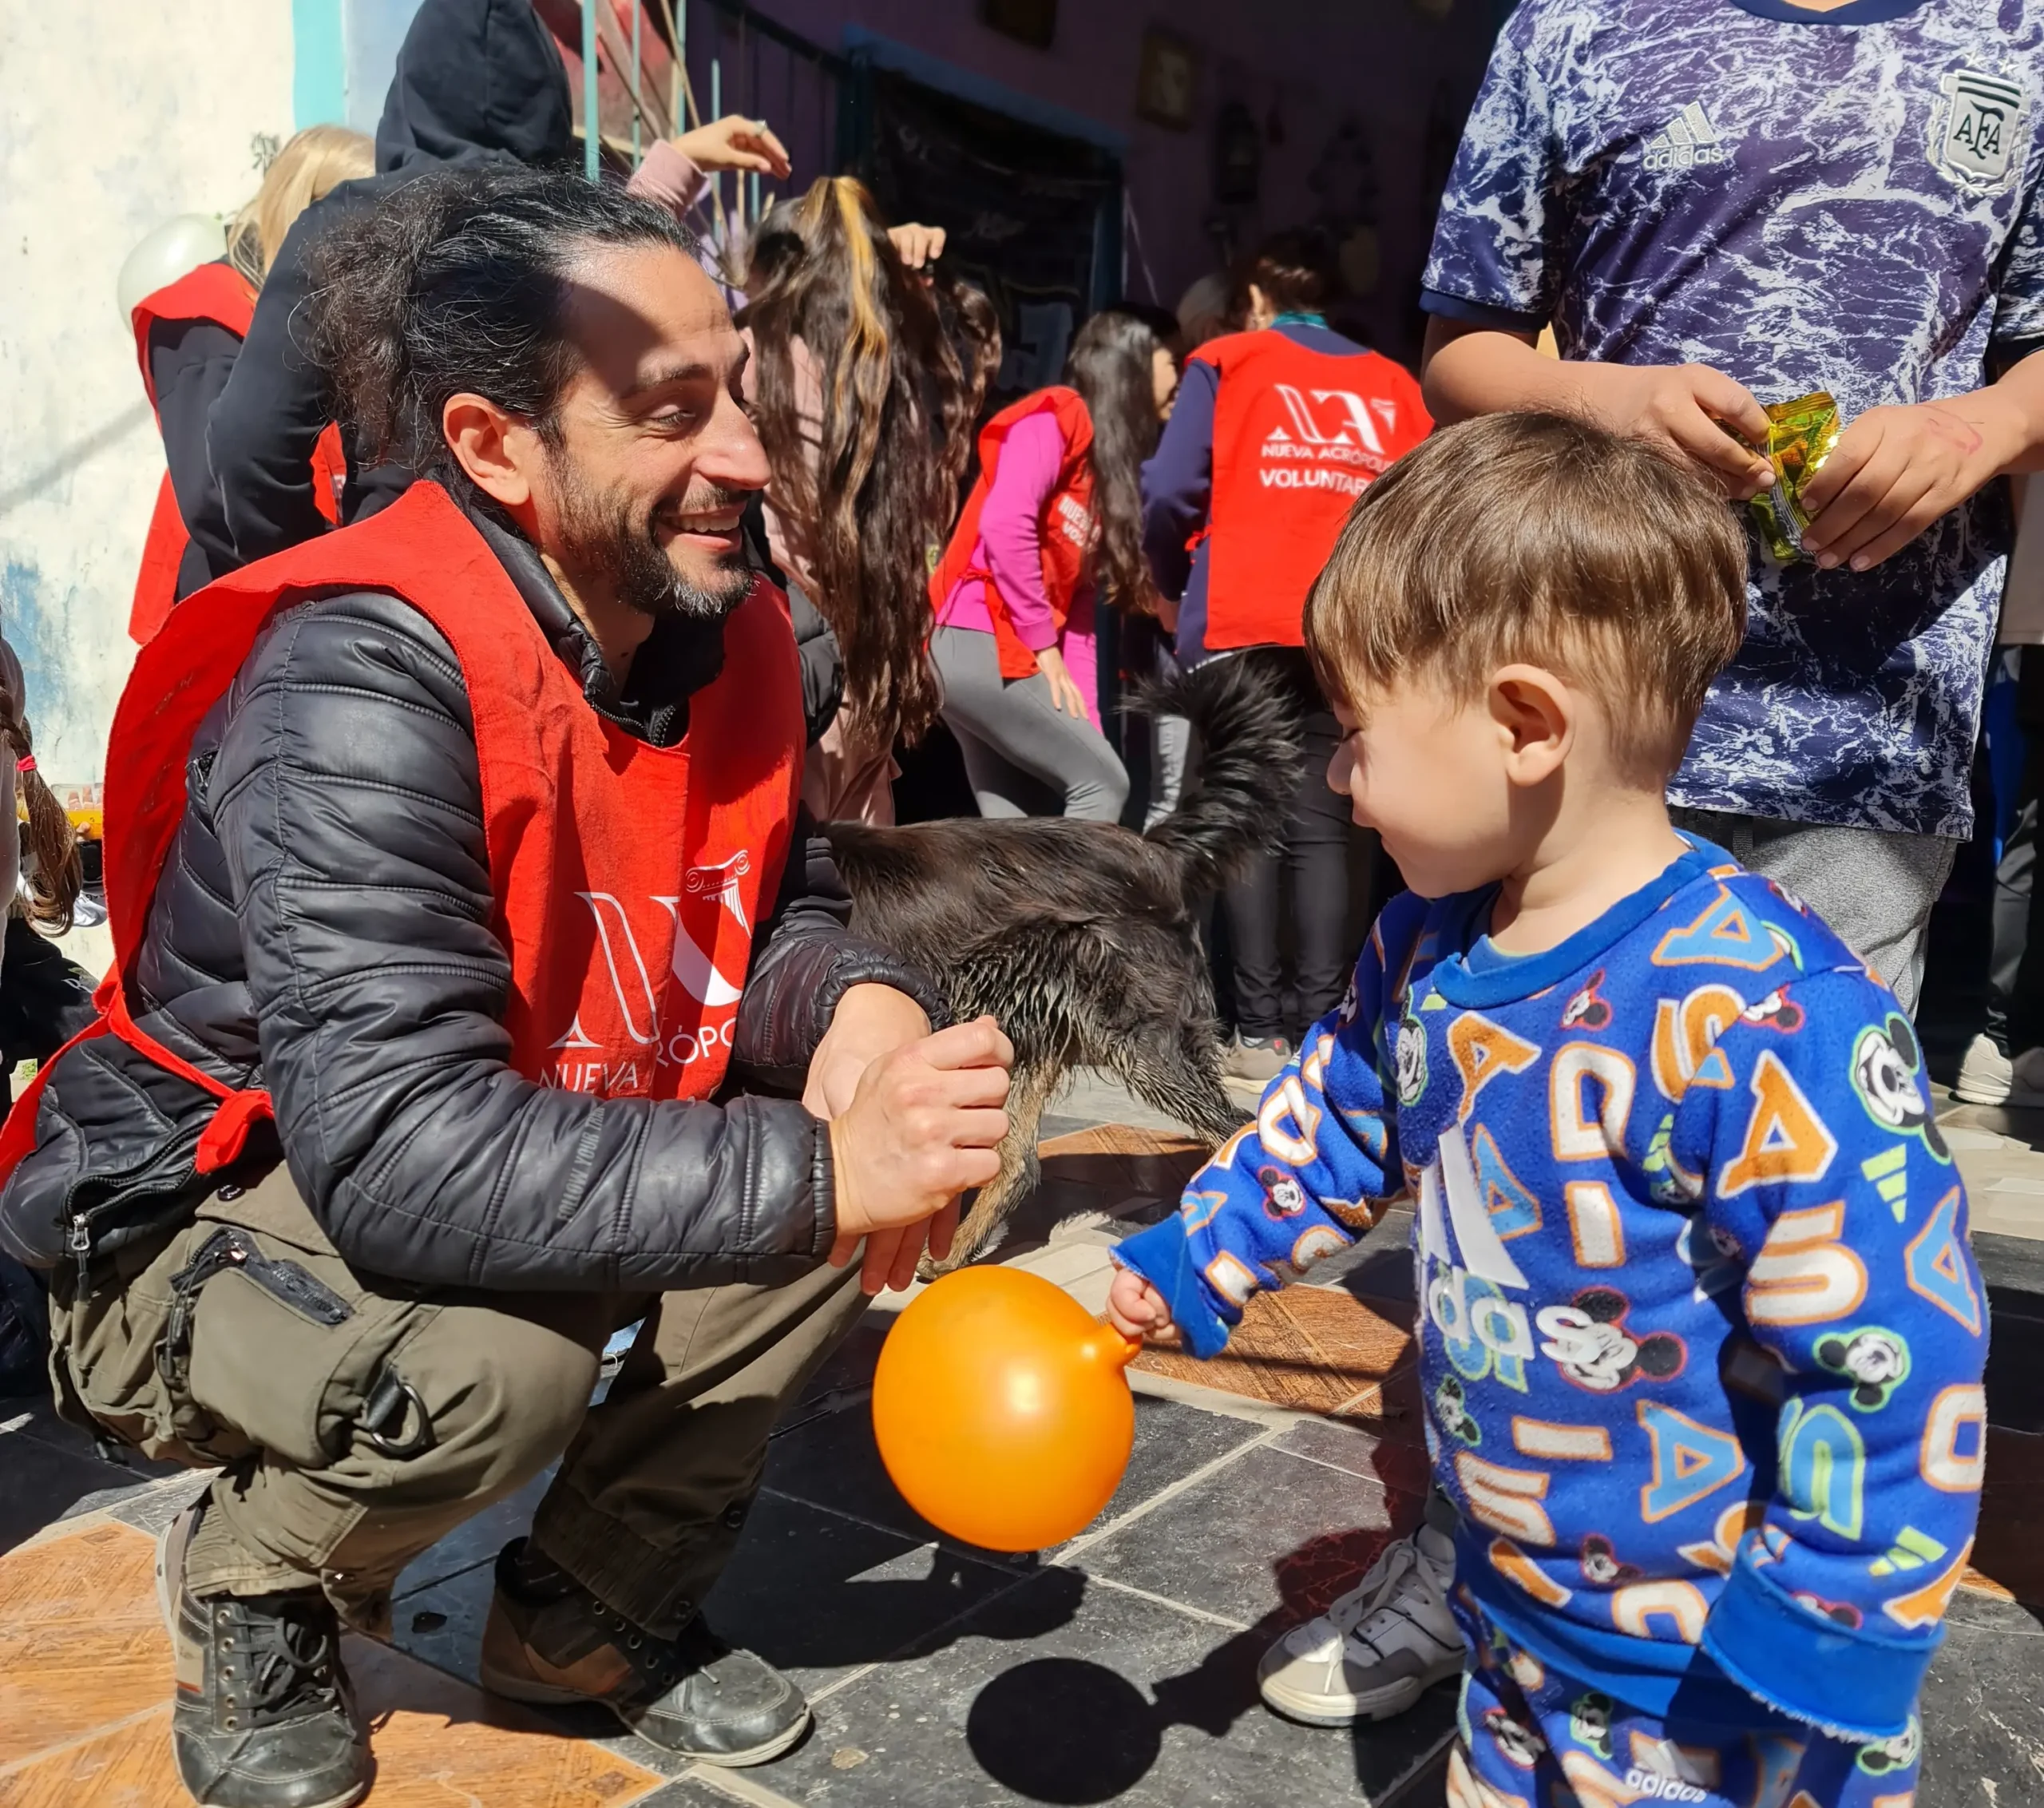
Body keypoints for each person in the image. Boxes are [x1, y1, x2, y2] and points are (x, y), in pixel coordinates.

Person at [0, 165, 1017, 1808]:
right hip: (196, 1212)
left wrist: (856, 1011)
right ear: (493, 444)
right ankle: (257, 1578)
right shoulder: (358, 675)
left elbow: (760, 912)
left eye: (737, 395)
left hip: (467, 1129)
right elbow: (403, 1153)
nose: (747, 459)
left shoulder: (726, 627)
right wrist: (823, 1166)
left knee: (867, 1155)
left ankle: (587, 1612)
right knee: (512, 1349)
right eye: (670, 411)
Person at [1109, 414, 1984, 1803]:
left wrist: (1826, 1628)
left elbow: (1895, 1348)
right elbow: (1333, 1115)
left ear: (1524, 726)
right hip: (1513, 1624)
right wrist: (1198, 1253)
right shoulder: (1430, 945)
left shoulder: (1767, 1015)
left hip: (1719, 1689)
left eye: (1357, 734)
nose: (1339, 777)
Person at [1418, 0, 2044, 1018]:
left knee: (1816, 1092)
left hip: (1868, 724)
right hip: (1590, 677)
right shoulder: (1570, 23)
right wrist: (1607, 402)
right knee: (1558, 1071)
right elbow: (1457, 356)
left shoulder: (2018, 36)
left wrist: (1973, 428)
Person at [200, 0, 794, 578]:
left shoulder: (346, 225)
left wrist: (311, 580)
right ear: (546, 100)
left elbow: (248, 445)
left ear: (413, 88)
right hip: (577, 584)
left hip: (407, 582)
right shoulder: (570, 233)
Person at [1141, 230, 1431, 1081]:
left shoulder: (1227, 360)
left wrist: (1170, 583)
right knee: (1326, 823)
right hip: (1348, 625)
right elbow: (1420, 515)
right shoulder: (1394, 385)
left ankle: (1259, 1031)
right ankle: (1320, 1027)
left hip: (1240, 615)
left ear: (1258, 300)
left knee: (1251, 820)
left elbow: (1169, 490)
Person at [738, 176, 996, 823]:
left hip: (790, 669)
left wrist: (678, 168)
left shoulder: (758, 359)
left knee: (794, 867)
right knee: (858, 866)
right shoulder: (887, 385)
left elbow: (621, 314)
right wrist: (891, 269)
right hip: (870, 676)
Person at [127, 125, 373, 640]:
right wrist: (325, 585)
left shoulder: (321, 306)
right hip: (229, 587)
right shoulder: (203, 312)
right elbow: (217, 493)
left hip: (314, 582)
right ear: (315, 212)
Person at [930, 309, 1174, 820]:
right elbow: (1005, 524)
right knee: (1104, 784)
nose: (1178, 372)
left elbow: (1079, 614)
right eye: (1168, 357)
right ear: (1129, 367)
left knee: (1022, 828)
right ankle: (1088, 881)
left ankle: (1015, 882)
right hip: (974, 636)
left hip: (1005, 648)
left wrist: (1086, 729)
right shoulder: (1059, 415)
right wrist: (1042, 643)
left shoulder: (1108, 475)